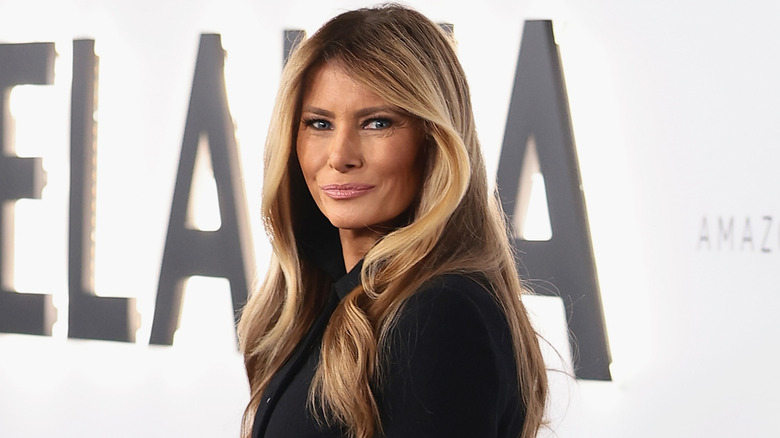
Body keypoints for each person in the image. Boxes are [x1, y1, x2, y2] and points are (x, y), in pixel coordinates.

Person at [237, 4, 548, 438]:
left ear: (433, 139)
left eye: (377, 123)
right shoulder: (328, 296)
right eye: (319, 123)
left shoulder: (437, 313)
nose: (341, 156)